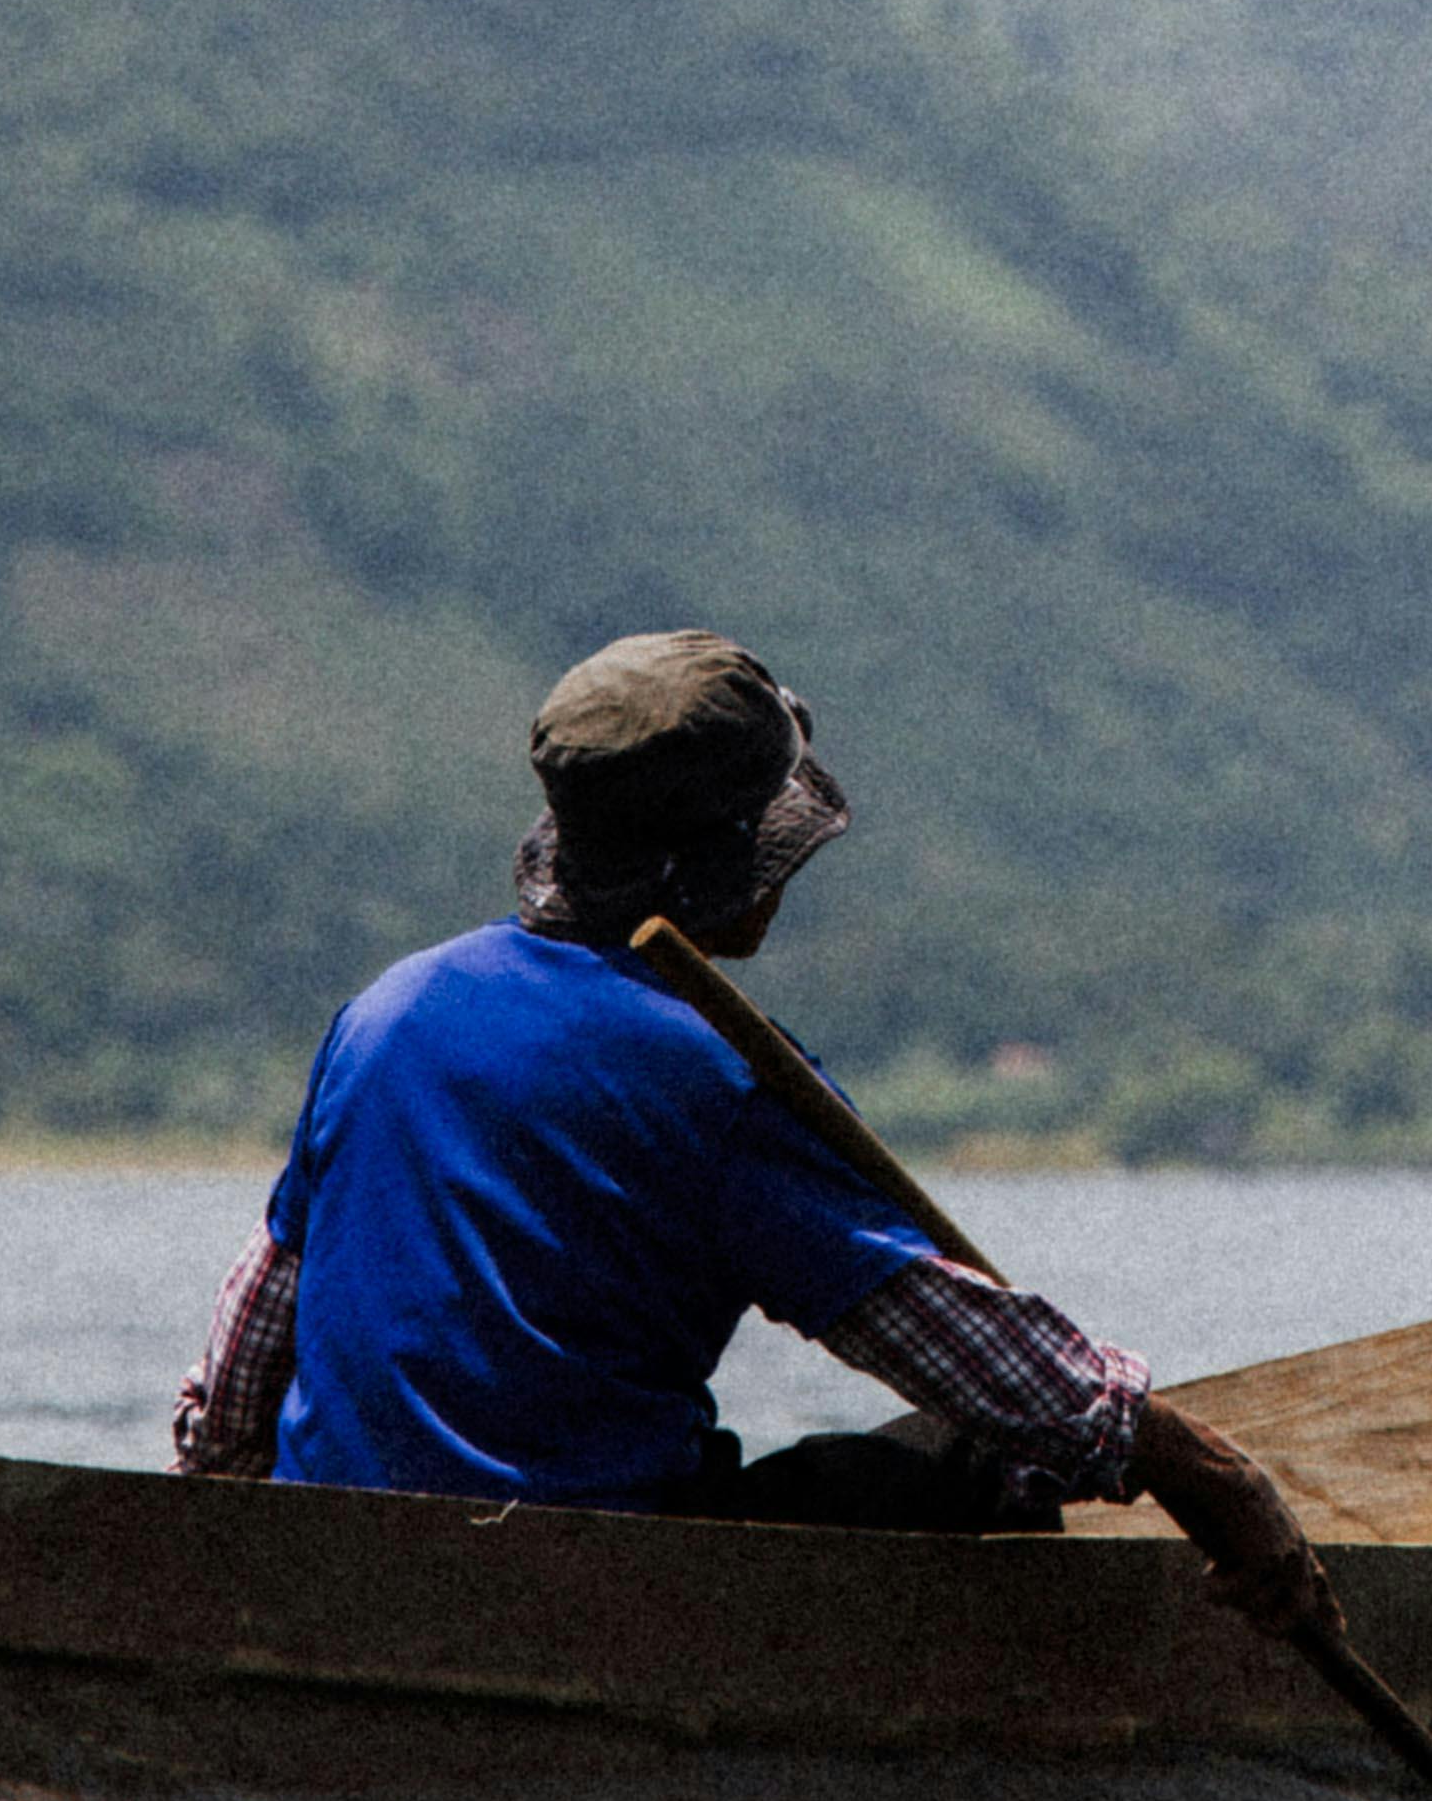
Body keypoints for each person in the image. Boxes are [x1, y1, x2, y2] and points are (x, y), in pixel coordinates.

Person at [168, 627, 1338, 1645]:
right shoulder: (720, 1079)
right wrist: (1206, 1476)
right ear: (733, 863)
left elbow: (248, 1350)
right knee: (992, 1458)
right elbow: (932, 1333)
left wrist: (200, 1529)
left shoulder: (384, 1011)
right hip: (586, 1585)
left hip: (336, 1563)